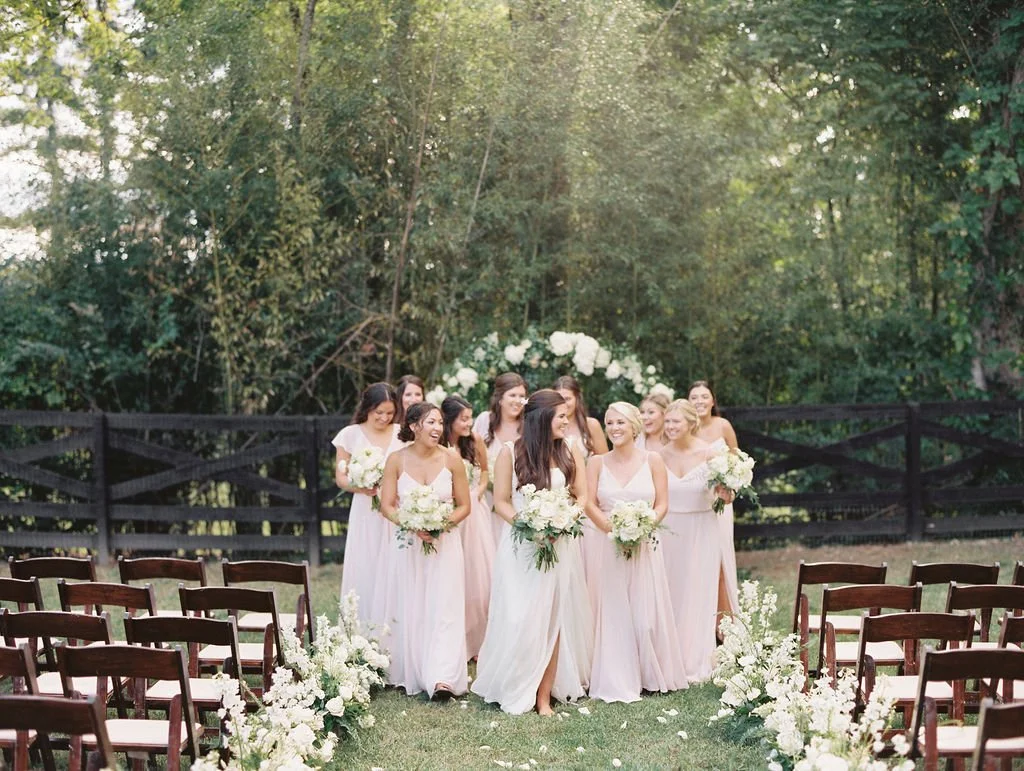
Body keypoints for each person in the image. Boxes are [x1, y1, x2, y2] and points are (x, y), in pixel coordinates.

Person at [471, 390, 594, 716]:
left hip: (559, 544)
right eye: (561, 416)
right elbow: (501, 503)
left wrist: (564, 521)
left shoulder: (570, 451)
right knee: (520, 616)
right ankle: (515, 683)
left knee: (553, 618)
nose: (568, 421)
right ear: (542, 418)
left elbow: (581, 496)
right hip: (521, 547)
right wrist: (532, 527)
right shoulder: (510, 454)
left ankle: (543, 696)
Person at [584, 402, 688, 702]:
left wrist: (642, 529)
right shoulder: (596, 463)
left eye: (620, 423)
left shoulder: (653, 460)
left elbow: (662, 504)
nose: (614, 428)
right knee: (616, 610)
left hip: (646, 545)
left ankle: (650, 673)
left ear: (634, 426)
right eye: (610, 423)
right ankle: (618, 676)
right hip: (610, 545)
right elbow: (589, 503)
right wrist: (614, 530)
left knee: (646, 614)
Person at [379, 402, 472, 698]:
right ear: (414, 426)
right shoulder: (395, 459)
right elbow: (387, 505)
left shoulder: (453, 459)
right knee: (414, 602)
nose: (437, 429)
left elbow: (464, 505)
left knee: (445, 605)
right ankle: (414, 667)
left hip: (445, 544)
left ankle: (442, 676)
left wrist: (439, 525)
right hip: (409, 544)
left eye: (441, 423)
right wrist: (411, 523)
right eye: (431, 422)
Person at [658, 399, 733, 682]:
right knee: (672, 589)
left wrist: (730, 488)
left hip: (703, 528)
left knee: (697, 590)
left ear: (691, 423)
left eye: (676, 421)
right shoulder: (657, 456)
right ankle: (669, 655)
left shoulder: (710, 454)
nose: (670, 426)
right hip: (668, 529)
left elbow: (727, 496)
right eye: (668, 421)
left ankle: (696, 657)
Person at [332, 383, 404, 628]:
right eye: (379, 413)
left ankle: (393, 624)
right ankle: (360, 625)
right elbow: (341, 475)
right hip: (365, 507)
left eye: (389, 413)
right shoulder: (350, 434)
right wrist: (358, 485)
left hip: (395, 506)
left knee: (395, 563)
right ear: (367, 409)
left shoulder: (402, 433)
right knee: (366, 562)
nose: (384, 418)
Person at [441, 394, 494, 660]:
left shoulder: (475, 441)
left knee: (478, 577)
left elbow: (485, 472)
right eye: (463, 419)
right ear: (448, 420)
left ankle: (479, 639)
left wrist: (479, 491)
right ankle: (454, 638)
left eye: (470, 418)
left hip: (475, 514)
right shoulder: (437, 446)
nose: (468, 423)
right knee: (452, 575)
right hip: (449, 513)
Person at [688, 380, 739, 617]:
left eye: (704, 396)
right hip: (694, 503)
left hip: (720, 504)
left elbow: (737, 463)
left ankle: (724, 619)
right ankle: (699, 616)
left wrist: (732, 489)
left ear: (712, 401)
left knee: (720, 561)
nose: (699, 401)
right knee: (696, 562)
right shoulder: (686, 429)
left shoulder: (723, 425)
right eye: (694, 397)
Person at [471, 372, 528, 544]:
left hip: (517, 503)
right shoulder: (484, 420)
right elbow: (471, 458)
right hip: (486, 501)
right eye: (512, 395)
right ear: (500, 398)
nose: (517, 400)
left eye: (522, 396)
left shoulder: (528, 425)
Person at [552, 375, 609, 457]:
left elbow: (604, 462)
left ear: (577, 398)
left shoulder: (591, 425)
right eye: (559, 399)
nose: (563, 404)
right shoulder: (549, 426)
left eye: (567, 399)